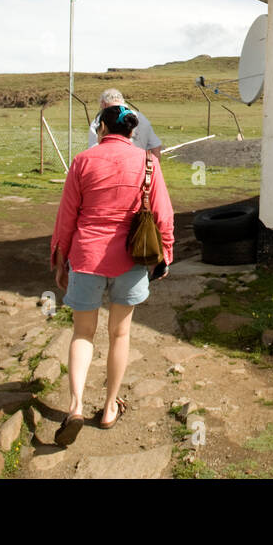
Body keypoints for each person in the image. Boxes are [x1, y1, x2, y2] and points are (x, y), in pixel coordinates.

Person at [50, 103, 175, 446]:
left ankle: (74, 406)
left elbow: (67, 216)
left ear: (102, 129)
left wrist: (60, 258)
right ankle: (107, 408)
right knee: (120, 335)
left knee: (82, 333)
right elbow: (163, 213)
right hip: (131, 260)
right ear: (132, 132)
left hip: (87, 257)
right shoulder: (149, 162)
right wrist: (166, 253)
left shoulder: (82, 161)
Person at [87, 88, 162, 159]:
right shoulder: (141, 117)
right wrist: (153, 168)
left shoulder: (99, 120)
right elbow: (155, 146)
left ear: (104, 103)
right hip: (139, 167)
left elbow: (94, 149)